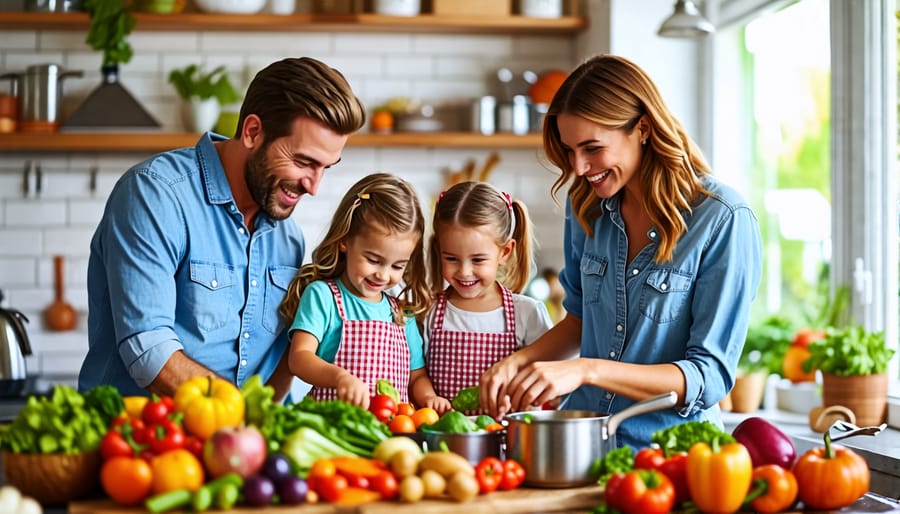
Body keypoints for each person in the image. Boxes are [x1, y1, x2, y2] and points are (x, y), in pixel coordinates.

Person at [479, 55, 763, 449]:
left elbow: (707, 376)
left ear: (642, 128)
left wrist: (587, 370)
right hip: (588, 449)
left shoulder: (721, 219)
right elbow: (579, 322)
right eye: (569, 150)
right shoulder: (587, 209)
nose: (579, 167)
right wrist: (516, 362)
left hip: (672, 460)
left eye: (592, 148)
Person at [78, 57, 366, 400]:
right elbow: (149, 352)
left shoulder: (287, 238)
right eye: (303, 162)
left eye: (326, 168)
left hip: (238, 448)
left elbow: (277, 369)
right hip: (141, 440)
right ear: (252, 132)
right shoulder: (156, 195)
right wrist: (239, 420)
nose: (313, 186)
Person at [276, 173, 433, 409]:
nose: (383, 274)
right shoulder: (323, 296)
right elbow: (299, 359)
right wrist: (339, 377)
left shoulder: (401, 314)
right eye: (373, 259)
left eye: (397, 265)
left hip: (389, 435)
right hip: (333, 427)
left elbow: (416, 376)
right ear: (345, 240)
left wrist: (429, 398)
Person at [421, 181, 553, 414]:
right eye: (451, 258)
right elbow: (416, 374)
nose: (464, 271)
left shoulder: (527, 313)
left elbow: (548, 381)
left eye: (478, 260)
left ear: (505, 252)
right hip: (445, 440)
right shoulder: (428, 311)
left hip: (508, 441)